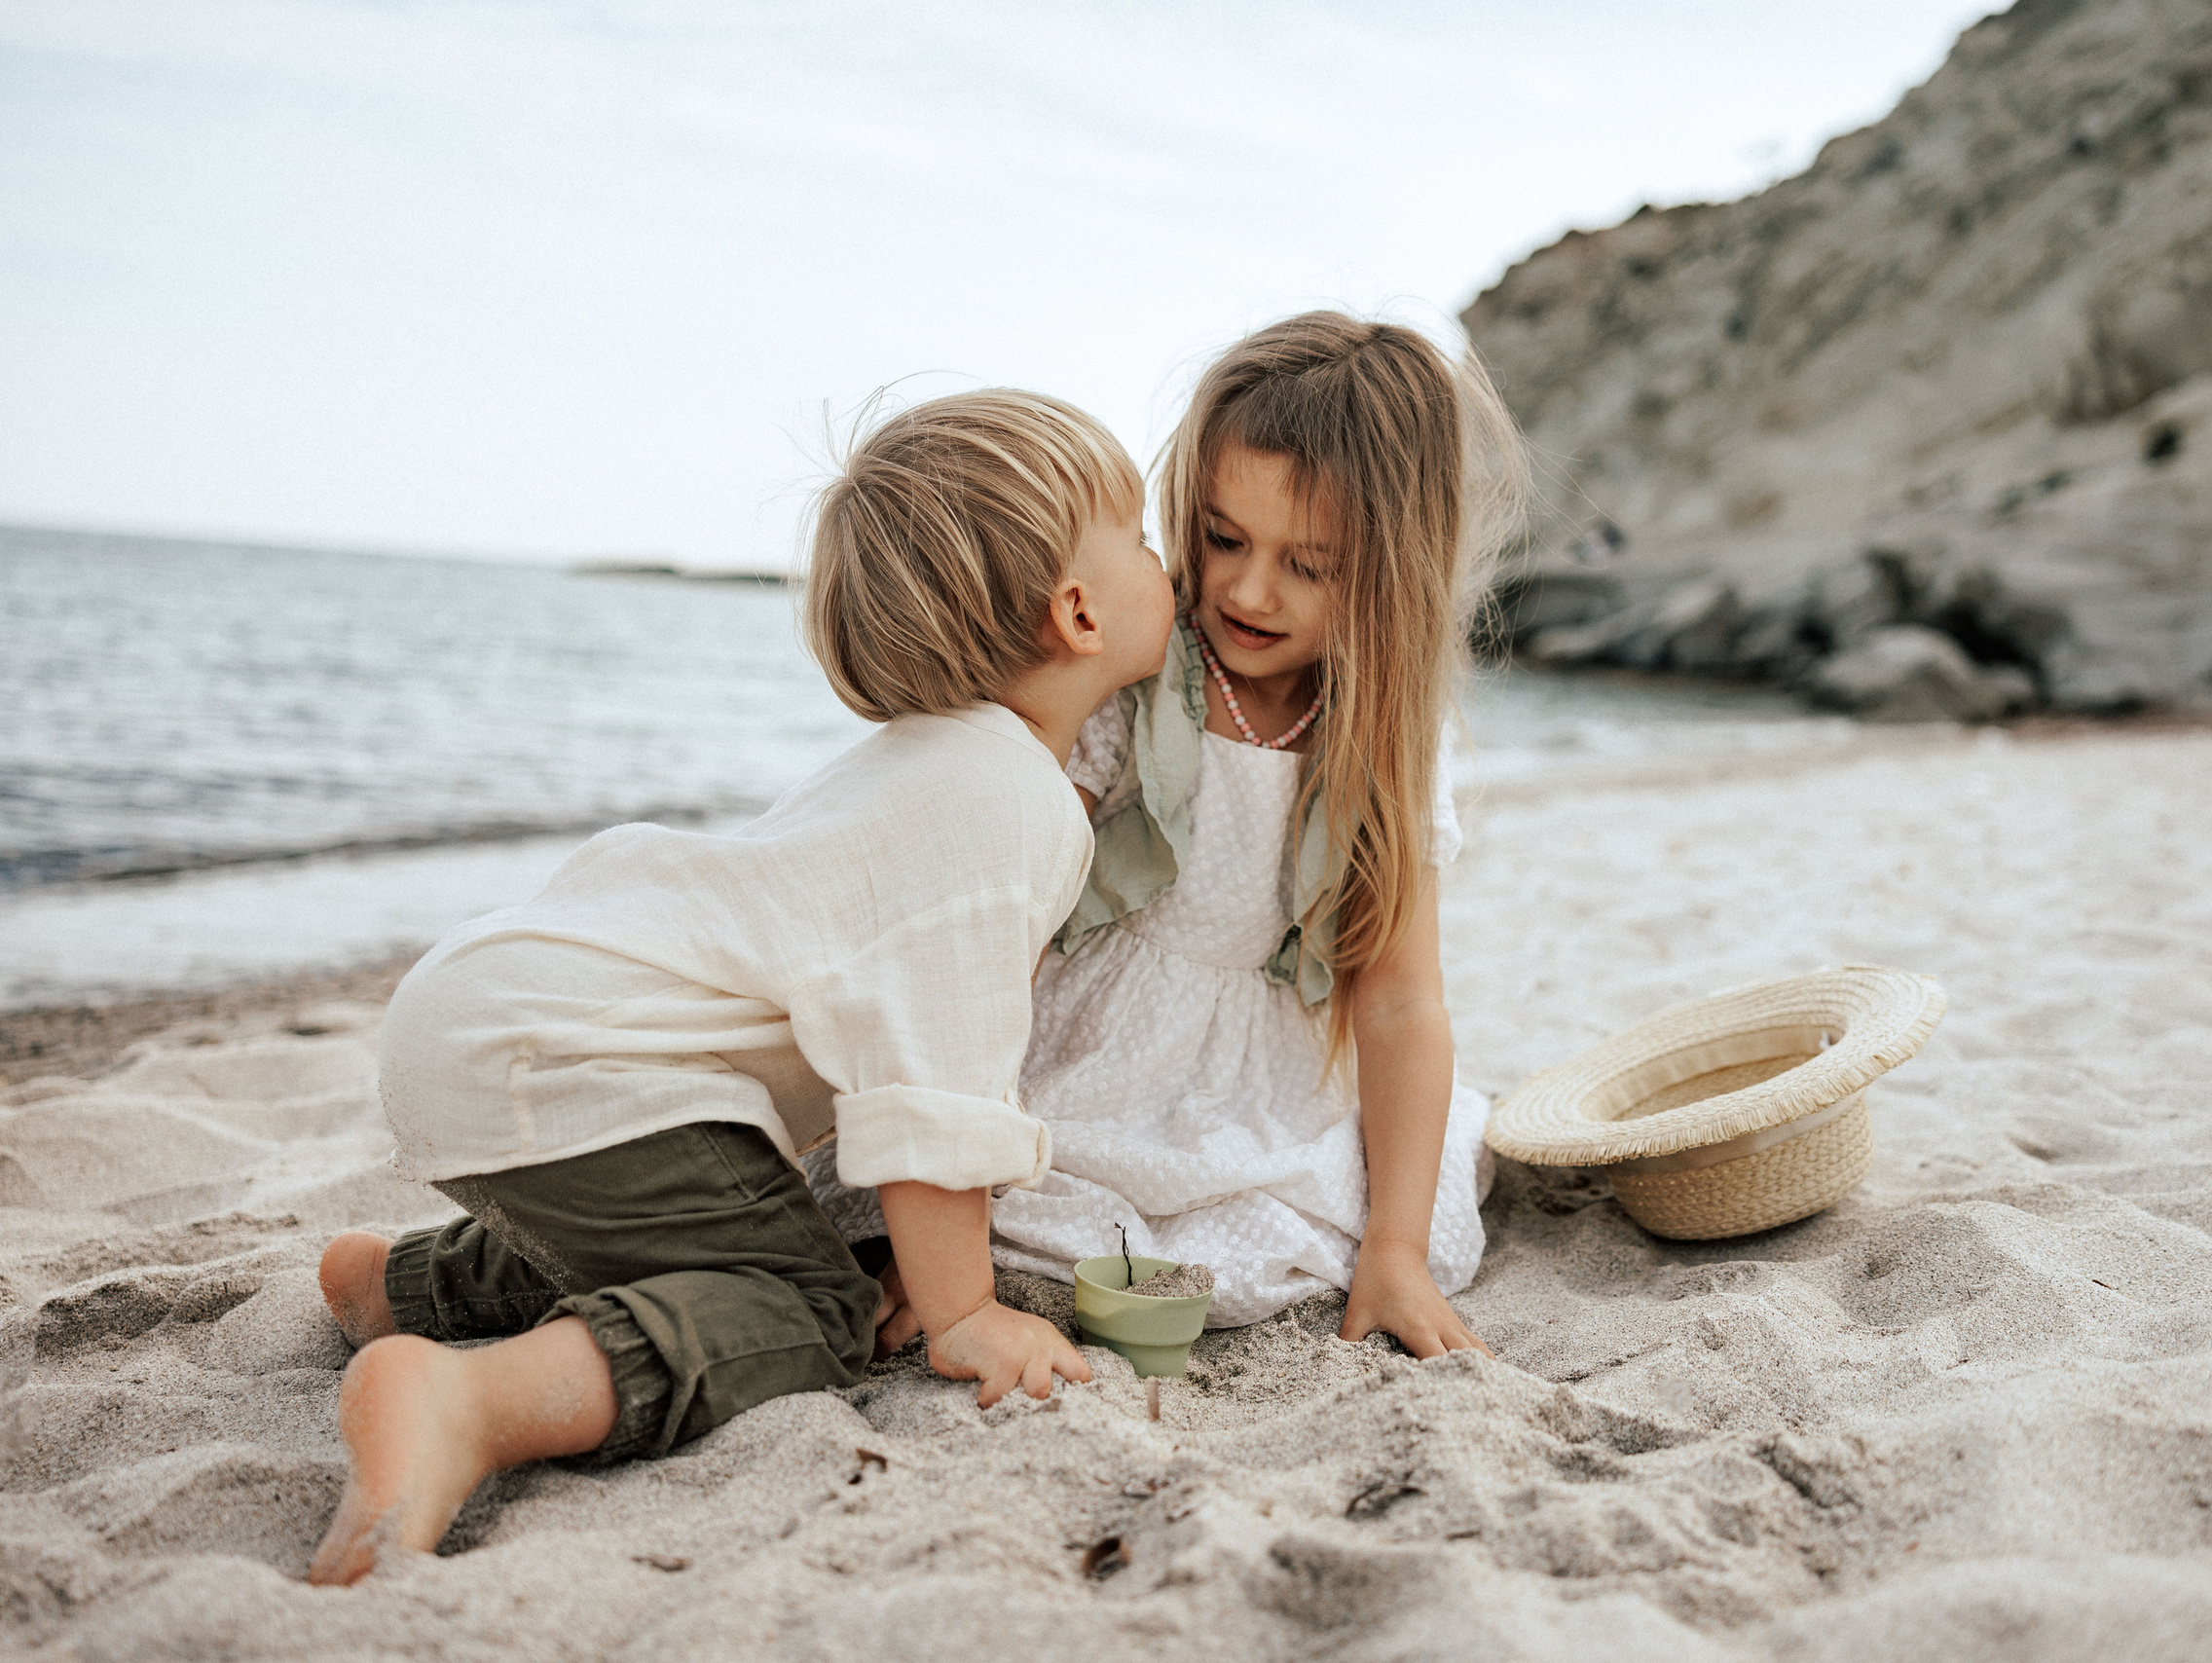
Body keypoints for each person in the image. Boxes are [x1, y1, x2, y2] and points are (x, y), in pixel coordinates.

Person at [305, 389, 1175, 1585]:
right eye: (1138, 535)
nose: (1161, 556)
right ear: (1078, 610)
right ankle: (468, 1399)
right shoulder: (1004, 800)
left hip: (495, 1022)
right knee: (805, 1307)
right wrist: (965, 1309)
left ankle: (394, 1286)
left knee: (703, 1231)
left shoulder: (925, 763)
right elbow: (934, 1071)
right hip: (572, 1054)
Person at [818, 313, 1527, 1354]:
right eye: (1224, 538)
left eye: (1310, 564)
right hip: (1082, 1047)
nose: (1246, 590)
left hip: (1260, 1078)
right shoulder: (1135, 674)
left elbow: (1400, 997)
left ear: (1392, 567)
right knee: (1026, 1210)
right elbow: (989, 943)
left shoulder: (1383, 735)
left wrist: (1397, 1249)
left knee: (1300, 1228)